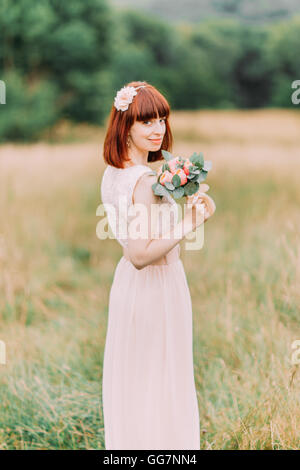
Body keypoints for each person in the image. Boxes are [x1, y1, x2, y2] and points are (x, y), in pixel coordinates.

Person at [100, 80, 216, 450]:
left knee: (139, 383)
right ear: (126, 126)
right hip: (155, 285)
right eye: (146, 121)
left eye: (162, 120)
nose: (158, 130)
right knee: (160, 384)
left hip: (131, 290)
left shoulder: (115, 172)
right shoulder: (144, 180)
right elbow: (139, 254)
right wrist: (190, 223)